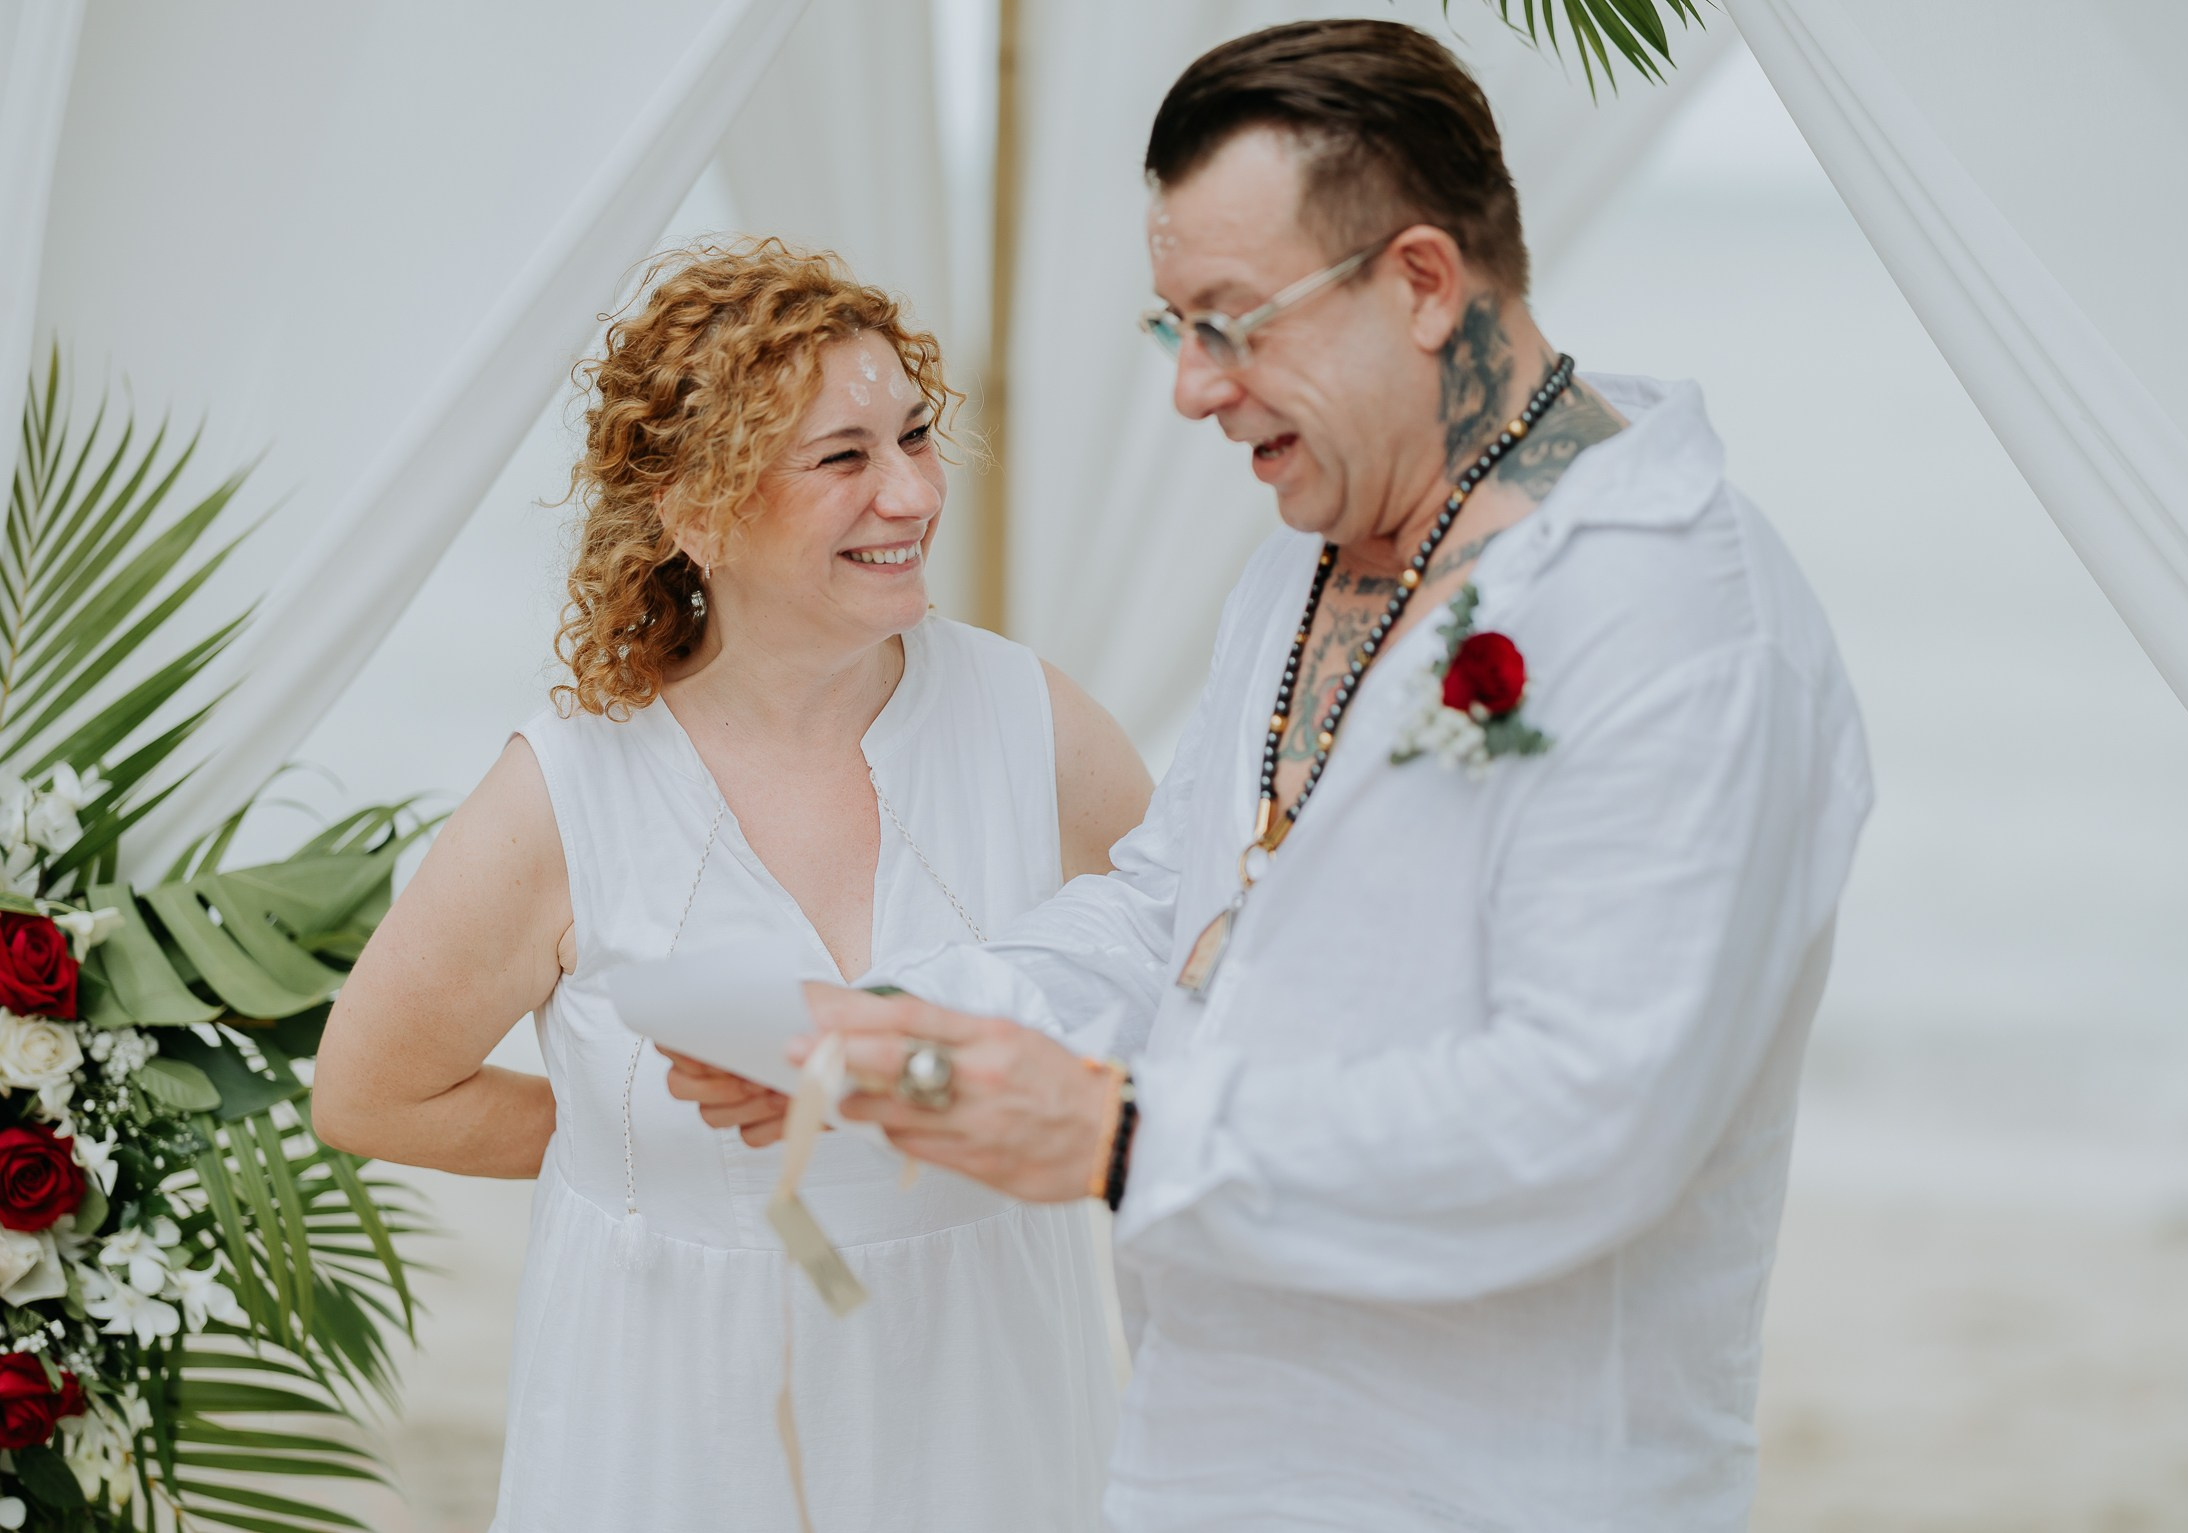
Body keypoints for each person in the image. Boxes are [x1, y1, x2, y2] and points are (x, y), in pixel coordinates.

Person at [672, 20, 1873, 1533]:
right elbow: (1174, 917)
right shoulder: (1301, 567)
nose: (1193, 390)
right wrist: (901, 1027)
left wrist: (1119, 1136)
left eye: (1234, 323)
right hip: (1207, 1463)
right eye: (1175, 328)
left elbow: (1591, 1113)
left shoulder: (1685, 622)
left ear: (1422, 282)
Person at [311, 240, 1147, 1531]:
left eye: (915, 434)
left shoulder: (1029, 719)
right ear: (697, 515)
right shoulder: (570, 790)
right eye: (843, 458)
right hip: (677, 1426)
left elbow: (1200, 953)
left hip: (990, 1398)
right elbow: (371, 1089)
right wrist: (639, 1146)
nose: (913, 492)